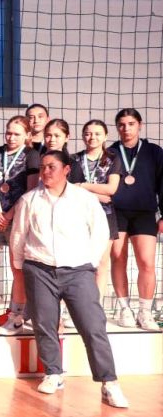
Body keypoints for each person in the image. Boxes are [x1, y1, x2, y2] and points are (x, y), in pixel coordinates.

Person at [8, 151, 129, 408]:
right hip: (39, 269)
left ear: (66, 170)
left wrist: (89, 261)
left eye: (52, 166)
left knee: (93, 326)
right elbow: (18, 234)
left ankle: (109, 382)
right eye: (43, 167)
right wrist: (19, 265)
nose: (45, 172)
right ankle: (53, 373)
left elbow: (100, 231)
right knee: (45, 324)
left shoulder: (84, 199)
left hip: (78, 271)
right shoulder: (29, 200)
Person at [108, 108, 163, 330]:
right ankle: (124, 309)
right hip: (116, 212)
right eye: (121, 124)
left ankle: (145, 311)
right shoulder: (110, 152)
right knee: (118, 259)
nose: (126, 128)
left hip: (144, 212)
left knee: (147, 262)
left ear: (139, 125)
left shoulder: (154, 152)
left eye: (131, 123)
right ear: (117, 127)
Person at [0, 116, 40, 336]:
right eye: (8, 132)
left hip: (17, 219)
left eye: (17, 134)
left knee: (17, 269)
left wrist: (9, 215)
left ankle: (16, 316)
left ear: (27, 135)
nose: (11, 137)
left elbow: (30, 190)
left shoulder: (31, 155)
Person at [68, 120, 121, 299]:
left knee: (101, 264)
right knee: (77, 264)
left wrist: (81, 185)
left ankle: (96, 307)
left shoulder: (113, 159)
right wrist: (97, 195)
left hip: (105, 216)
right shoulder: (73, 159)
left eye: (97, 133)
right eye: (88, 133)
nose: (92, 137)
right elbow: (69, 189)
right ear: (83, 136)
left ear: (105, 136)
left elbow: (111, 189)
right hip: (78, 217)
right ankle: (75, 305)